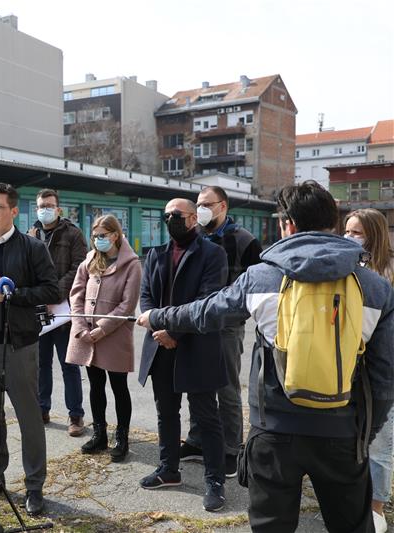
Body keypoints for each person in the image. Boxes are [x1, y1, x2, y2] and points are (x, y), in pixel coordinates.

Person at [137, 181, 394, 532]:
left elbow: (204, 313)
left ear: (286, 224)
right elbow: (384, 377)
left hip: (273, 431)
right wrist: (366, 430)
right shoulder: (376, 288)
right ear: (334, 225)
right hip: (342, 432)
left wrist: (157, 316)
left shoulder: (260, 277)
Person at [0, 183, 59, 516]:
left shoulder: (32, 248)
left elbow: (50, 289)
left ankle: (34, 486)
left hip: (19, 345)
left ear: (14, 211)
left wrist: (10, 295)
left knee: (29, 418)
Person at [137, 198, 229, 513]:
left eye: (176, 215)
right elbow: (146, 296)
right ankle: (168, 469)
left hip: (197, 345)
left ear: (193, 218)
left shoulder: (213, 254)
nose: (170, 219)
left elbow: (207, 301)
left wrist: (172, 332)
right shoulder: (155, 254)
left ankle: (215, 481)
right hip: (160, 345)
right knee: (166, 412)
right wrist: (157, 330)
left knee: (206, 416)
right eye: (166, 215)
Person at [179, 186, 262, 477]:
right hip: (195, 322)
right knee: (198, 385)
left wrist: (235, 316)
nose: (200, 209)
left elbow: (255, 286)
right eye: (198, 204)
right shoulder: (194, 238)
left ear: (223, 206)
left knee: (226, 388)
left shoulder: (245, 241)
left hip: (226, 326)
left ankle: (231, 448)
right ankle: (196, 439)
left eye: (206, 204)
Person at [65, 215, 141, 462]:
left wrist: (103, 328)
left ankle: (122, 437)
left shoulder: (131, 264)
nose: (98, 240)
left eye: (102, 236)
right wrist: (80, 326)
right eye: (95, 236)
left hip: (114, 335)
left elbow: (127, 304)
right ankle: (100, 434)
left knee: (119, 387)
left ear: (115, 235)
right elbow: (76, 295)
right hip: (87, 335)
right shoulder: (89, 261)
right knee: (95, 385)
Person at [344, 208, 394, 533]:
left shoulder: (388, 272)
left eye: (356, 232)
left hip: (384, 369)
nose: (348, 238)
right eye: (346, 231)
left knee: (380, 440)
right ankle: (354, 499)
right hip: (351, 368)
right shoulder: (348, 268)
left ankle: (376, 507)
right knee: (354, 437)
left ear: (373, 235)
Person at [27, 189, 88, 436]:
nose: (45, 209)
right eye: (41, 206)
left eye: (50, 205)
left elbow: (79, 268)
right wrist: (40, 297)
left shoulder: (73, 234)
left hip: (64, 311)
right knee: (41, 365)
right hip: (40, 311)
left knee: (69, 365)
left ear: (59, 209)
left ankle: (76, 416)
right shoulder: (30, 236)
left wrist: (55, 294)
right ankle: (42, 409)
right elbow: (26, 270)